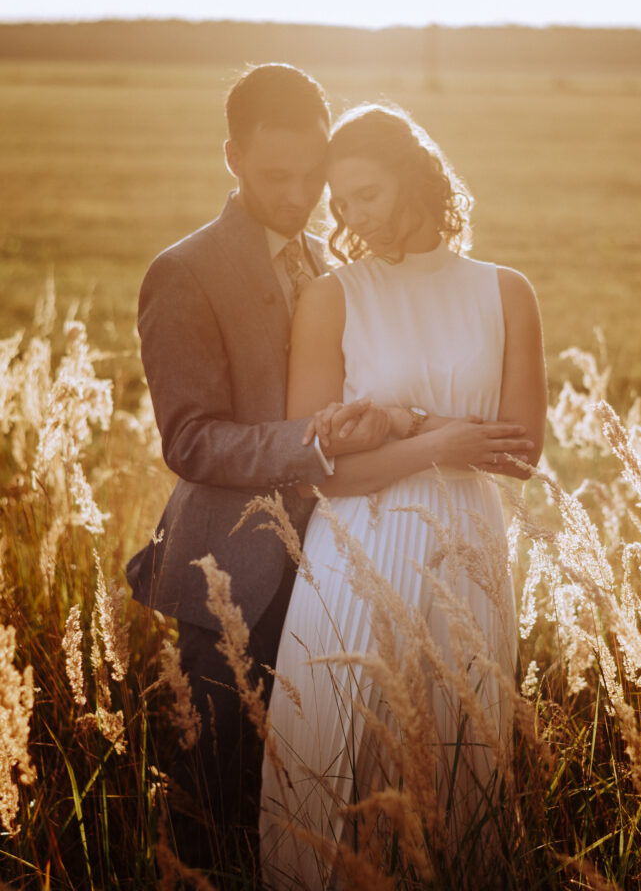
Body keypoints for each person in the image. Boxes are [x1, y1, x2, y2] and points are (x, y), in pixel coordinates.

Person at [259, 104, 547, 889]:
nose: (353, 218)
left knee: (456, 769)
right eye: (340, 204)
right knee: (341, 770)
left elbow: (519, 452)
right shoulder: (333, 297)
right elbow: (322, 469)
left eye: (367, 195)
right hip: (355, 547)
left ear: (416, 179)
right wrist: (440, 441)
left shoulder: (506, 291)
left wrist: (403, 424)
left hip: (465, 551)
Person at [125, 64, 380, 875]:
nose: (300, 194)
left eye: (313, 175)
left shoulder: (328, 262)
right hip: (231, 573)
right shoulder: (185, 270)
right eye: (277, 176)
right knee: (209, 804)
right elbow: (192, 440)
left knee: (305, 800)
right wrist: (314, 441)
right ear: (231, 157)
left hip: (334, 573)